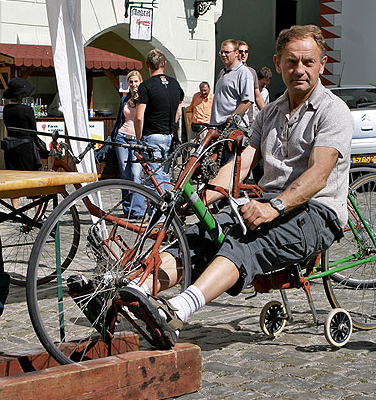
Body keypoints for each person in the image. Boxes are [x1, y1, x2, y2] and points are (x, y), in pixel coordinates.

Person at [118, 24, 354, 349]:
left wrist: (274, 207)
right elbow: (240, 164)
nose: (299, 69)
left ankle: (177, 311)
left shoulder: (333, 111)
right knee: (200, 233)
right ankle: (133, 292)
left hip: (316, 212)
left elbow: (318, 176)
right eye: (291, 61)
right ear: (278, 62)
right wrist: (203, 198)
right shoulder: (270, 112)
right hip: (269, 205)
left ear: (322, 64)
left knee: (246, 245)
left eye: (308, 62)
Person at [134, 49, 184, 193]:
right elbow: (178, 112)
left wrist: (139, 139)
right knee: (164, 177)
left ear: (147, 64)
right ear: (165, 64)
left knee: (153, 180)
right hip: (168, 135)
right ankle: (167, 210)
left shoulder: (146, 86)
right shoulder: (175, 84)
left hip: (152, 135)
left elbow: (138, 117)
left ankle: (159, 214)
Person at [1, 77, 48, 207]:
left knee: (13, 176)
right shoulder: (27, 110)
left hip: (10, 146)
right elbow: (33, 131)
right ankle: (37, 207)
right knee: (31, 176)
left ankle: (15, 207)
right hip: (25, 146)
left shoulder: (6, 110)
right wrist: (41, 148)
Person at [109, 69, 145, 217]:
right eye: (131, 82)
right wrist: (115, 133)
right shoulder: (124, 99)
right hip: (122, 137)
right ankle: (127, 208)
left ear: (140, 82)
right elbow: (120, 118)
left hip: (137, 139)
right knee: (124, 173)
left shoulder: (145, 98)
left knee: (136, 174)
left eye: (136, 81)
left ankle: (138, 210)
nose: (133, 84)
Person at [210, 39, 254, 127]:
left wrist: (232, 118)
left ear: (236, 53)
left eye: (226, 52)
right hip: (217, 125)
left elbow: (248, 100)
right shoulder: (223, 72)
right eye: (221, 52)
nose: (223, 55)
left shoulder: (243, 72)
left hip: (232, 128)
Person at [236, 40, 266, 123]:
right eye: (241, 51)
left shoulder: (252, 72)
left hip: (246, 120)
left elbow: (257, 97)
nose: (243, 54)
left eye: (246, 51)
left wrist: (267, 115)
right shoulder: (226, 72)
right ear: (235, 53)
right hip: (229, 119)